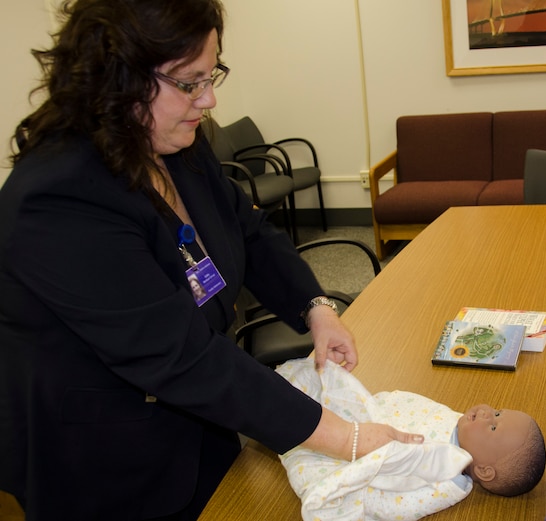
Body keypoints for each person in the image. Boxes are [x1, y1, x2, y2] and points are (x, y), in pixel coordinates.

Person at [0, 1, 422, 519]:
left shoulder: (176, 140)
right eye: (189, 82)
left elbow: (248, 229)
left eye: (211, 75)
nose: (209, 98)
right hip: (106, 460)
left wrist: (315, 308)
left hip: (200, 419)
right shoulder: (61, 197)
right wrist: (345, 436)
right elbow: (179, 355)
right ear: (118, 79)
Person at [276, 359, 546, 521]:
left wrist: (375, 457)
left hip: (353, 456)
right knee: (319, 382)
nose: (488, 414)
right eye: (497, 411)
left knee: (296, 417)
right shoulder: (457, 422)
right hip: (364, 423)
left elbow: (395, 506)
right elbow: (405, 406)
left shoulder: (444, 480)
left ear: (484, 471)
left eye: (493, 428)